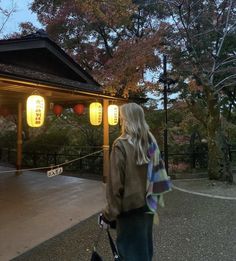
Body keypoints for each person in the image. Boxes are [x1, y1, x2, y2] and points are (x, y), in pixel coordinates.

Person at [99, 103, 171, 261]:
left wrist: (107, 215)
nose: (120, 121)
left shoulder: (121, 144)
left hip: (129, 211)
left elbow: (115, 187)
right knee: (144, 250)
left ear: (127, 119)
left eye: (122, 118)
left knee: (129, 252)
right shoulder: (150, 140)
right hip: (147, 206)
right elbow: (159, 173)